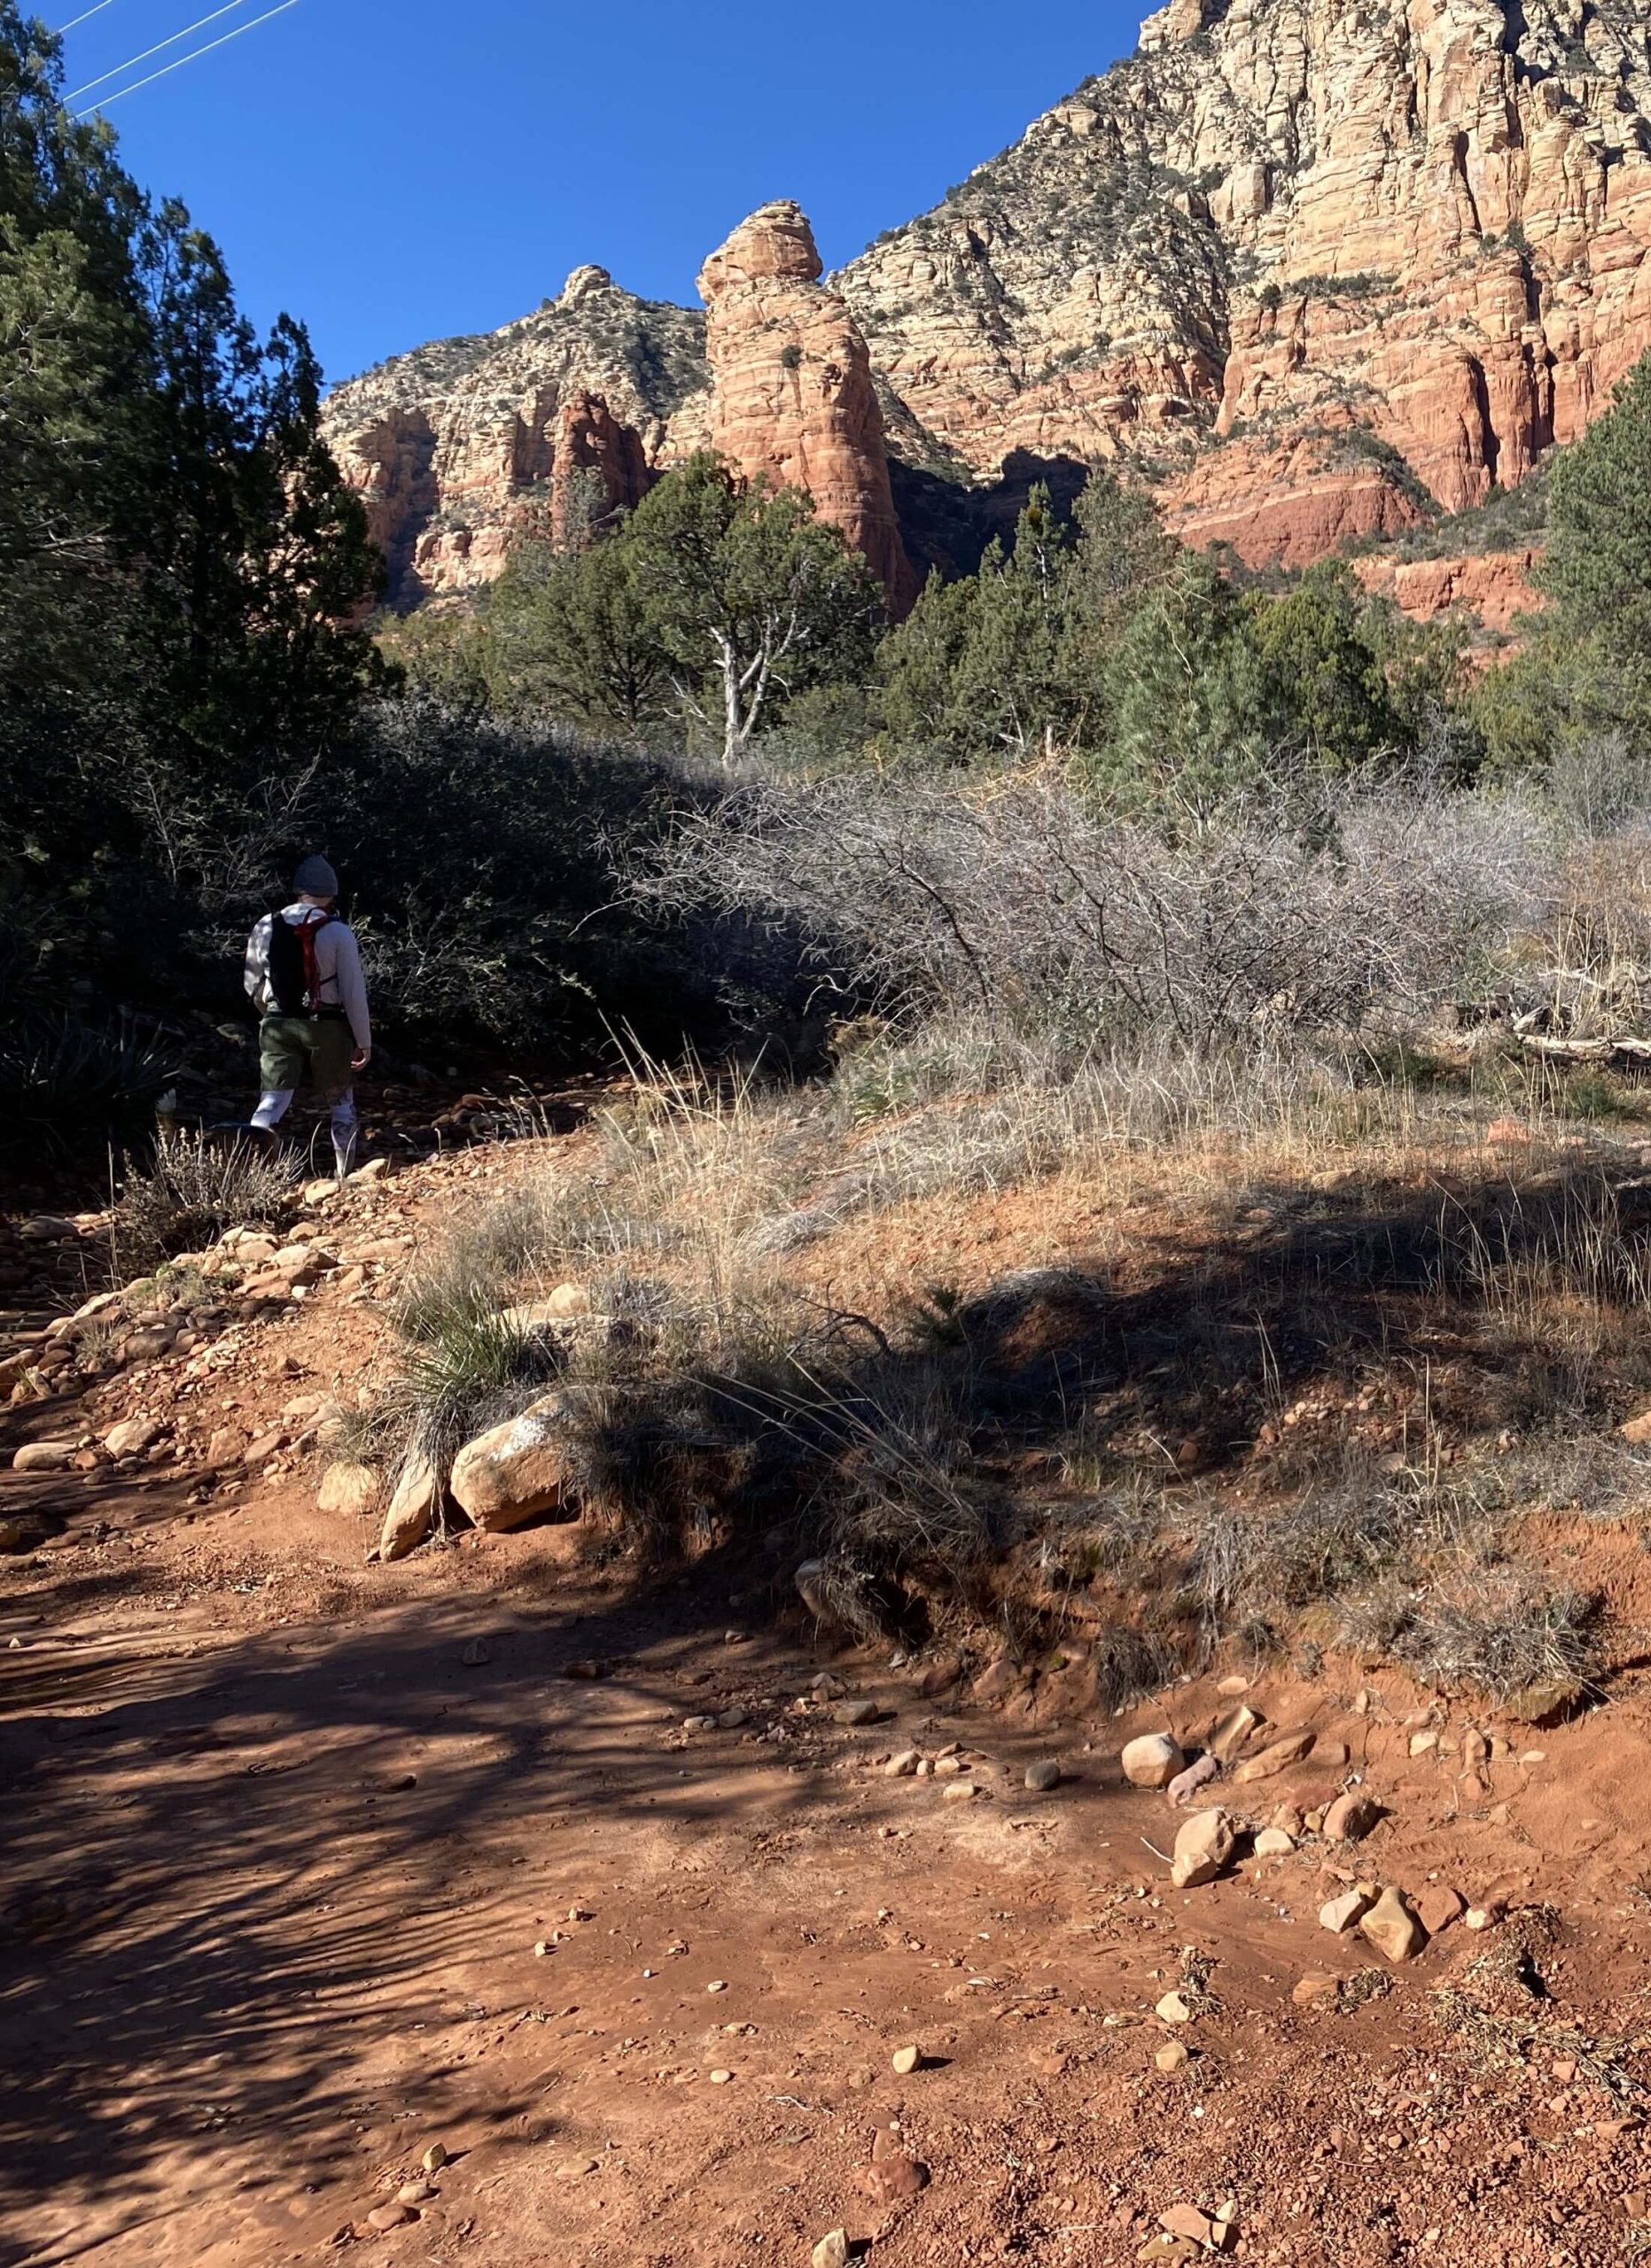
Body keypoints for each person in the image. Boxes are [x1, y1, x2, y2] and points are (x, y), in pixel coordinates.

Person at [242, 855, 371, 1179]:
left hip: (277, 1022)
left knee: (272, 1100)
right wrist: (363, 1041)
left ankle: (254, 1173)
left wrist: (269, 1014)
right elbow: (353, 991)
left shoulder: (265, 924)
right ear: (331, 893)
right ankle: (344, 1177)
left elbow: (251, 983)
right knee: (340, 1102)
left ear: (299, 890)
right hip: (326, 1024)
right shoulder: (338, 932)